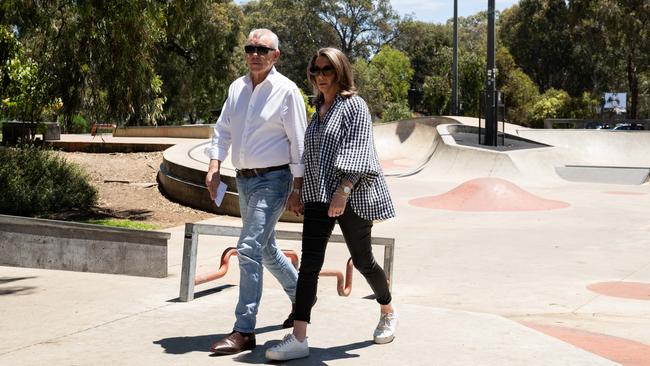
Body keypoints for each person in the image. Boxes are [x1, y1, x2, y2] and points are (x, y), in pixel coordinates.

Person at [265, 47, 397, 361]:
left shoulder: (354, 105)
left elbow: (360, 149)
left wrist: (344, 190)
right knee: (309, 265)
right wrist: (298, 190)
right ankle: (299, 337)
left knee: (363, 261)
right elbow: (308, 155)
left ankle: (388, 311)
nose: (321, 76)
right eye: (316, 71)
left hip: (351, 195)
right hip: (316, 195)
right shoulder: (317, 109)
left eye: (327, 70)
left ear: (340, 72)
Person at [205, 28, 307, 356]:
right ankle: (301, 298)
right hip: (244, 179)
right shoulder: (237, 87)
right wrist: (214, 166)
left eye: (262, 49)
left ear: (276, 55)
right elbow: (222, 131)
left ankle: (244, 330)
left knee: (248, 248)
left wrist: (297, 186)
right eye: (250, 48)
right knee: (265, 249)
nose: (255, 54)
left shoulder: (287, 91)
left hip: (274, 180)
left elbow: (299, 142)